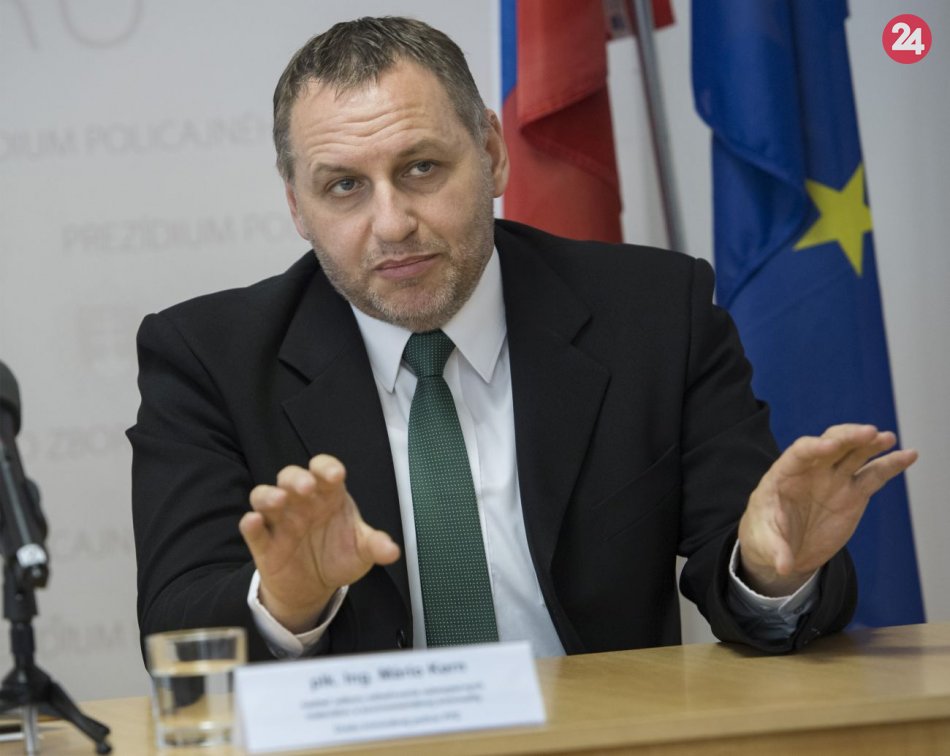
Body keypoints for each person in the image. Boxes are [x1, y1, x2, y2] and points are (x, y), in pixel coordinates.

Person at [128, 17, 916, 663]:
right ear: (298, 207)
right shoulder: (208, 359)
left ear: (493, 154)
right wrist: (287, 602)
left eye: (421, 168)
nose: (392, 223)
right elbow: (176, 624)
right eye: (344, 186)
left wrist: (770, 571)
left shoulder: (654, 313)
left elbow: (744, 555)